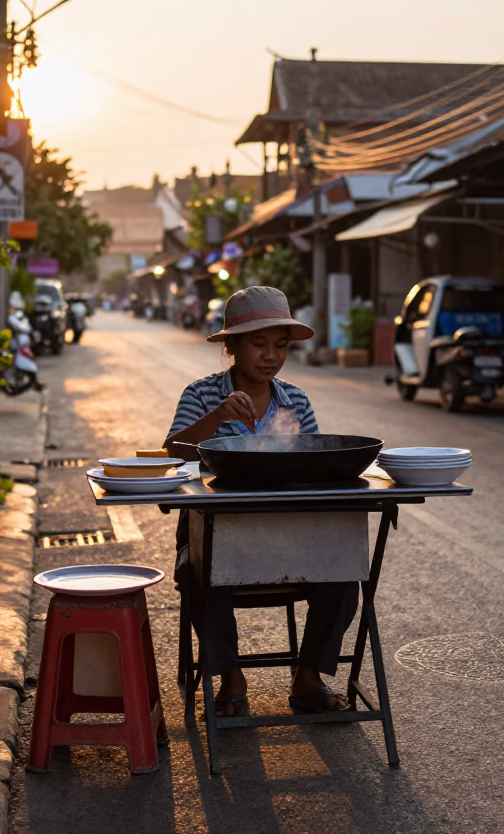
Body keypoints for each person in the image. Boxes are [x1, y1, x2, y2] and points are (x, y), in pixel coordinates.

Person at [163, 286, 358, 716]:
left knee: (346, 572)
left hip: (287, 533)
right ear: (231, 346)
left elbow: (312, 462)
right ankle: (231, 675)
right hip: (217, 535)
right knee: (196, 572)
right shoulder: (200, 395)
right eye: (258, 344)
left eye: (280, 346)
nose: (270, 355)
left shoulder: (297, 401)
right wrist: (217, 418)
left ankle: (308, 677)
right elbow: (173, 451)